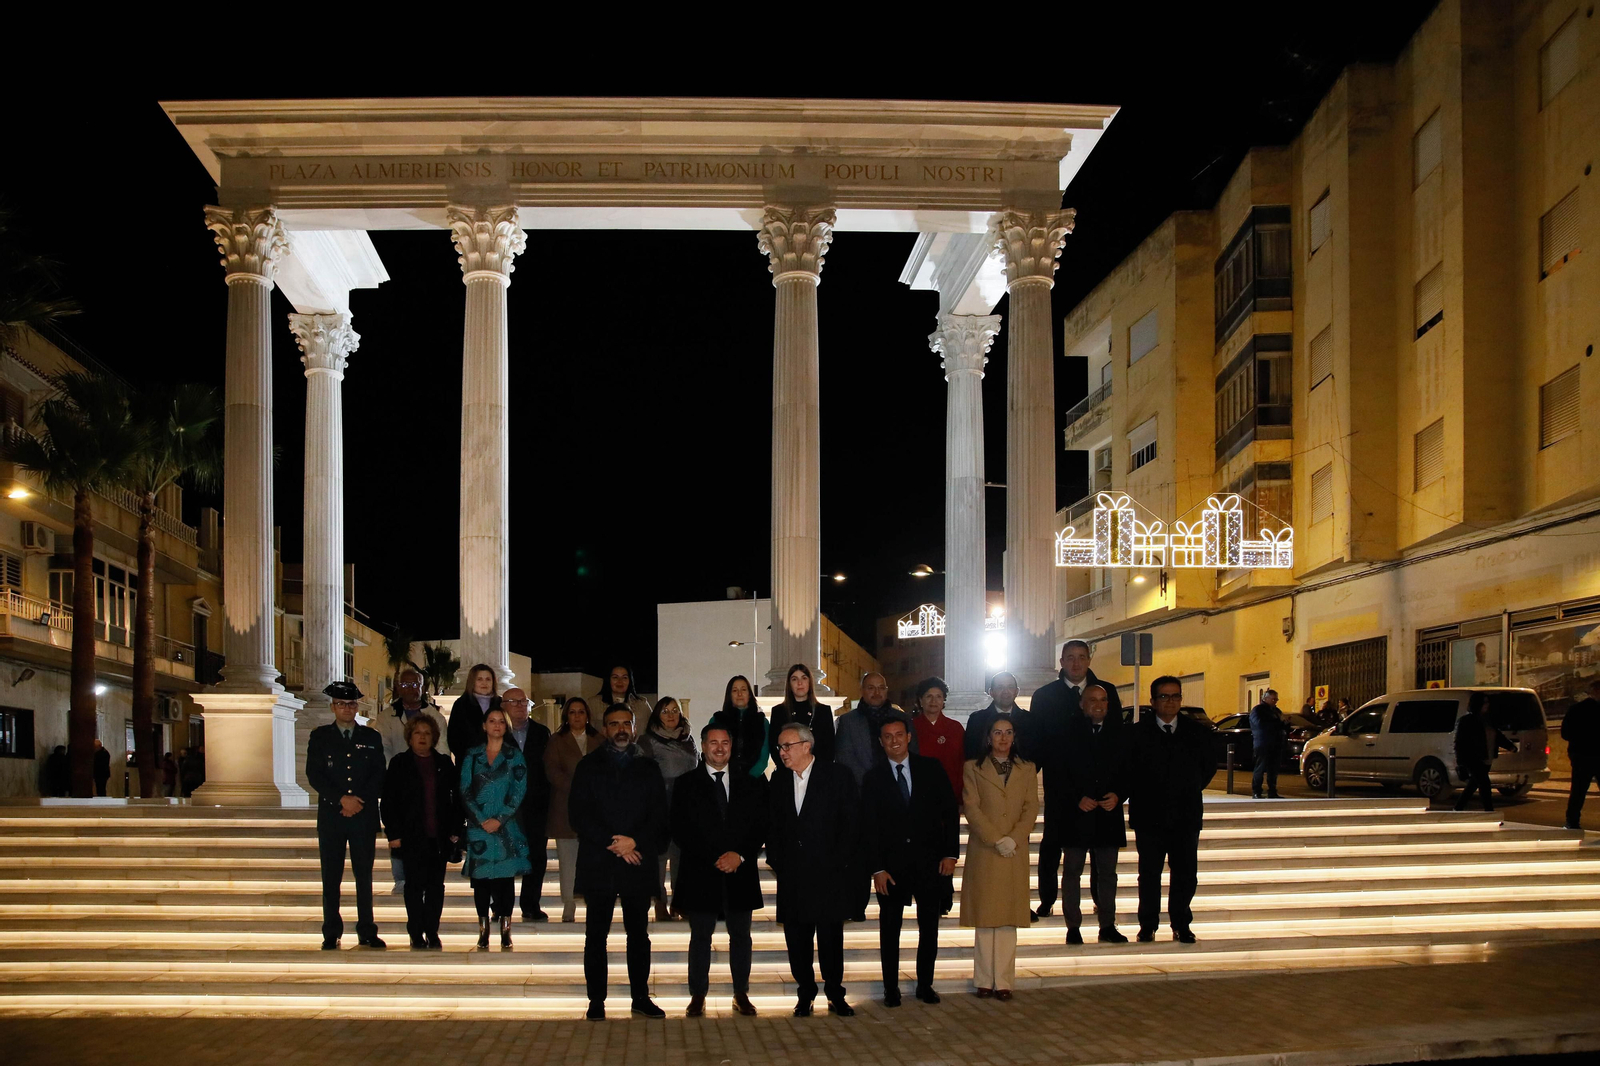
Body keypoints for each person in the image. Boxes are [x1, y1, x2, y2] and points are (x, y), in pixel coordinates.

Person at [569, 704, 669, 1020]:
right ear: (605, 728)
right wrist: (615, 843)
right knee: (595, 936)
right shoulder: (588, 766)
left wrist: (634, 842)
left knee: (638, 935)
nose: (621, 729)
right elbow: (578, 815)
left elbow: (659, 816)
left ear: (635, 727)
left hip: (637, 862)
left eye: (626, 722)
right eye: (614, 724)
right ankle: (596, 1001)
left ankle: (640, 997)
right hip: (599, 862)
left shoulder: (649, 768)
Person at [859, 715, 958, 1007]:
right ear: (881, 742)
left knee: (930, 928)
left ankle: (925, 984)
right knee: (890, 931)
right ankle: (891, 989)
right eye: (887, 737)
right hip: (891, 868)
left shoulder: (931, 769)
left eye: (899, 735)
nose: (894, 741)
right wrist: (876, 868)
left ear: (909, 737)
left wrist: (950, 854)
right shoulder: (873, 777)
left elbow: (950, 813)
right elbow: (869, 828)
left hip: (930, 864)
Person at [670, 721, 767, 1017]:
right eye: (713, 742)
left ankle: (741, 993)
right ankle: (698, 995)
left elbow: (760, 825)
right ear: (703, 745)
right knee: (700, 937)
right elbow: (679, 829)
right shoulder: (685, 783)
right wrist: (715, 856)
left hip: (740, 871)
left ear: (731, 746)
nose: (720, 748)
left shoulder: (751, 782)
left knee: (741, 936)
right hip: (701, 872)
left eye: (725, 742)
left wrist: (739, 854)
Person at [767, 722, 858, 1017]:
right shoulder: (779, 781)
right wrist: (777, 861)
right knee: (797, 940)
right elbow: (773, 827)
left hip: (829, 874)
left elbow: (850, 824)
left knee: (831, 939)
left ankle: (835, 993)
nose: (781, 753)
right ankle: (805, 993)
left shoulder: (837, 775)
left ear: (807, 746)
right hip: (793, 876)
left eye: (786, 746)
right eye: (780, 747)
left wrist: (839, 863)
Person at [1030, 640, 1123, 920]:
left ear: (1089, 660)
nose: (1076, 663)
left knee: (1099, 852)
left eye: (1081, 657)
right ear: (1061, 661)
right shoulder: (1045, 695)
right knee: (1052, 843)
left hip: (1100, 788)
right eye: (1070, 657)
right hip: (1061, 785)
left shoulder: (1107, 692)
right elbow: (1038, 741)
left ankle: (1099, 901)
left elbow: (1116, 737)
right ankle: (1047, 899)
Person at [1126, 676, 1210, 944]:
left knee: (1185, 873)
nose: (1170, 702)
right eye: (1164, 696)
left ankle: (1181, 923)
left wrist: (1188, 788)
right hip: (1149, 815)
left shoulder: (1196, 732)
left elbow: (1207, 769)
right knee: (1149, 874)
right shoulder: (1137, 733)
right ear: (1152, 702)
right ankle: (1147, 925)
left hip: (1185, 815)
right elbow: (1129, 772)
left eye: (1175, 696)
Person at [305, 681, 387, 950]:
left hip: (362, 815)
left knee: (364, 876)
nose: (347, 708)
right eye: (341, 704)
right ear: (333, 707)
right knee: (331, 876)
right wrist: (341, 799)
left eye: (351, 704)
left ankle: (367, 930)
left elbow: (379, 774)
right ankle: (331, 931)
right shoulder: (320, 737)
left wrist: (358, 801)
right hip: (332, 815)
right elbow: (314, 774)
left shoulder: (371, 738)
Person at [961, 714, 1037, 1000]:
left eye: (1008, 732)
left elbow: (1031, 808)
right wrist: (995, 839)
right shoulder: (973, 768)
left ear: (1014, 737)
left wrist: (1013, 838)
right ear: (988, 737)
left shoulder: (1027, 768)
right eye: (997, 733)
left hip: (1014, 850)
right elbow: (972, 807)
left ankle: (1004, 981)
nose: (1003, 738)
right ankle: (983, 979)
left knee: (1007, 918)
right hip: (986, 849)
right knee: (985, 916)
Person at [380, 712, 462, 949]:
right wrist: (393, 834)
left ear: (434, 737)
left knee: (436, 887)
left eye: (427, 733)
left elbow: (457, 799)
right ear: (410, 737)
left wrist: (456, 829)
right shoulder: (399, 764)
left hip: (439, 836)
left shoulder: (444, 764)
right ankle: (416, 932)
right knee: (414, 887)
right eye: (418, 733)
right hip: (410, 837)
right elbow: (389, 802)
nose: (422, 737)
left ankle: (432, 931)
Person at [1060, 684, 1128, 944]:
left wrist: (1119, 794)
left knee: (1108, 874)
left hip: (1108, 814)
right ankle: (1073, 927)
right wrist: (1077, 798)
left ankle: (1107, 925)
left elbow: (1130, 770)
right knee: (1072, 872)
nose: (1098, 705)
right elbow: (1058, 773)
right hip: (1077, 813)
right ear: (1081, 704)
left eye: (1103, 700)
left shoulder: (1120, 733)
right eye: (1092, 700)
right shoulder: (1067, 732)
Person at [459, 706, 532, 950]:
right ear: (484, 725)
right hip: (479, 826)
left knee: (504, 881)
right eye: (492, 721)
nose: (497, 725)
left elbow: (519, 791)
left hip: (506, 826)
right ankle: (483, 930)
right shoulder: (472, 755)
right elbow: (465, 790)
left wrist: (499, 819)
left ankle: (505, 930)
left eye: (501, 721)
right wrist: (481, 819)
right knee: (480, 881)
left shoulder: (514, 756)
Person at [377, 667, 445, 897]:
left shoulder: (434, 715)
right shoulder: (386, 716)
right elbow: (382, 747)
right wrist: (392, 773)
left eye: (415, 684)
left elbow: (442, 746)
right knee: (399, 829)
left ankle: (427, 876)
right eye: (405, 684)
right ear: (397, 687)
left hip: (429, 776)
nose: (410, 688)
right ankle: (401, 878)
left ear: (422, 686)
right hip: (399, 779)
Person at [637, 696, 697, 921]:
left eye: (675, 710)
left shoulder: (688, 739)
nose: (671, 715)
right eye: (665, 711)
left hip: (686, 805)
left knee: (682, 856)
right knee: (660, 857)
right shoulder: (647, 741)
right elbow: (642, 777)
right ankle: (660, 902)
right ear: (657, 715)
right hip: (660, 804)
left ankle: (680, 903)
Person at [545, 696, 601, 922]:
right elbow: (552, 772)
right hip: (565, 808)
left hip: (596, 810)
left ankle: (593, 902)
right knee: (568, 860)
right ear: (566, 716)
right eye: (572, 712)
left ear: (588, 715)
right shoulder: (556, 740)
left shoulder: (599, 740)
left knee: (594, 860)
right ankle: (569, 903)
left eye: (581, 712)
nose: (577, 716)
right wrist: (580, 787)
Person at [502, 687, 551, 922]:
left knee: (536, 857)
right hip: (505, 806)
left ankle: (531, 904)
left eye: (525, 701)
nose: (521, 705)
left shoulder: (542, 733)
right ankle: (502, 906)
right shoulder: (496, 732)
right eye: (515, 701)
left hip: (536, 803)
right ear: (503, 706)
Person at [836, 672, 917, 785]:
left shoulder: (902, 718)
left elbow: (912, 752)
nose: (877, 693)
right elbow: (845, 758)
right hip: (861, 788)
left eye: (881, 688)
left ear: (887, 690)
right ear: (862, 690)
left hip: (899, 785)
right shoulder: (848, 721)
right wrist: (871, 782)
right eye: (871, 688)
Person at [1454, 691, 1513, 812]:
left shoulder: (1489, 720)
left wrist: (1510, 746)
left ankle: (1458, 808)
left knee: (1473, 785)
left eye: (1488, 702)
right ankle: (1489, 811)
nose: (1487, 705)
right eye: (1485, 702)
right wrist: (1460, 763)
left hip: (1487, 757)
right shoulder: (1467, 721)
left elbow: (1498, 736)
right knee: (1485, 784)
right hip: (1474, 758)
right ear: (1478, 704)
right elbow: (1460, 743)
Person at [909, 676, 965, 804]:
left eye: (939, 696)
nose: (933, 701)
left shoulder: (955, 728)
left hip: (950, 794)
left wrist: (961, 797)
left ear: (943, 700)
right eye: (928, 696)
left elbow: (963, 763)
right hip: (918, 795)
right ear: (920, 700)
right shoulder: (911, 727)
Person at [770, 663, 836, 763]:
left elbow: (829, 747)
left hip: (818, 771)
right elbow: (773, 745)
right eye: (794, 679)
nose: (799, 683)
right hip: (787, 772)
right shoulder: (778, 711)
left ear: (810, 682)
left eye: (804, 678)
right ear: (789, 684)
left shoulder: (823, 711)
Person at [708, 674, 770, 779]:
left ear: (749, 694)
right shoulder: (717, 720)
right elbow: (710, 752)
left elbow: (764, 757)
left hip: (754, 780)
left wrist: (750, 777)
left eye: (743, 690)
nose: (739, 694)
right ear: (729, 695)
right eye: (735, 690)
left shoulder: (762, 722)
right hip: (724, 779)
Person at [965, 672, 1031, 762]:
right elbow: (971, 754)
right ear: (991, 692)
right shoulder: (976, 720)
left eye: (1010, 687)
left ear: (1017, 692)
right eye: (1000, 687)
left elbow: (1035, 755)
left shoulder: (1030, 720)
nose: (1005, 692)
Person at [1562, 679, 1600, 829]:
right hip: (1597, 755)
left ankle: (1572, 821)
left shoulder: (1576, 710)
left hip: (1581, 756)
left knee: (1578, 791)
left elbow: (1565, 733)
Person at [446, 663, 500, 762]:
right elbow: (454, 737)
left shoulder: (500, 703)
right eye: (479, 679)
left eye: (488, 679)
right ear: (472, 682)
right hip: (469, 763)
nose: (484, 683)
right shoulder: (461, 704)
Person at [1248, 688, 1287, 799]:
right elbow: (1260, 724)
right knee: (1260, 768)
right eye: (1273, 699)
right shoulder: (1258, 710)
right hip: (1263, 743)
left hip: (1276, 743)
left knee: (1273, 769)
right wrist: (1277, 723)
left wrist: (1285, 724)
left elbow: (1282, 724)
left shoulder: (1276, 711)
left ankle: (1272, 791)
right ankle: (1257, 791)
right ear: (1265, 698)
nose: (1275, 701)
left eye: (1276, 699)